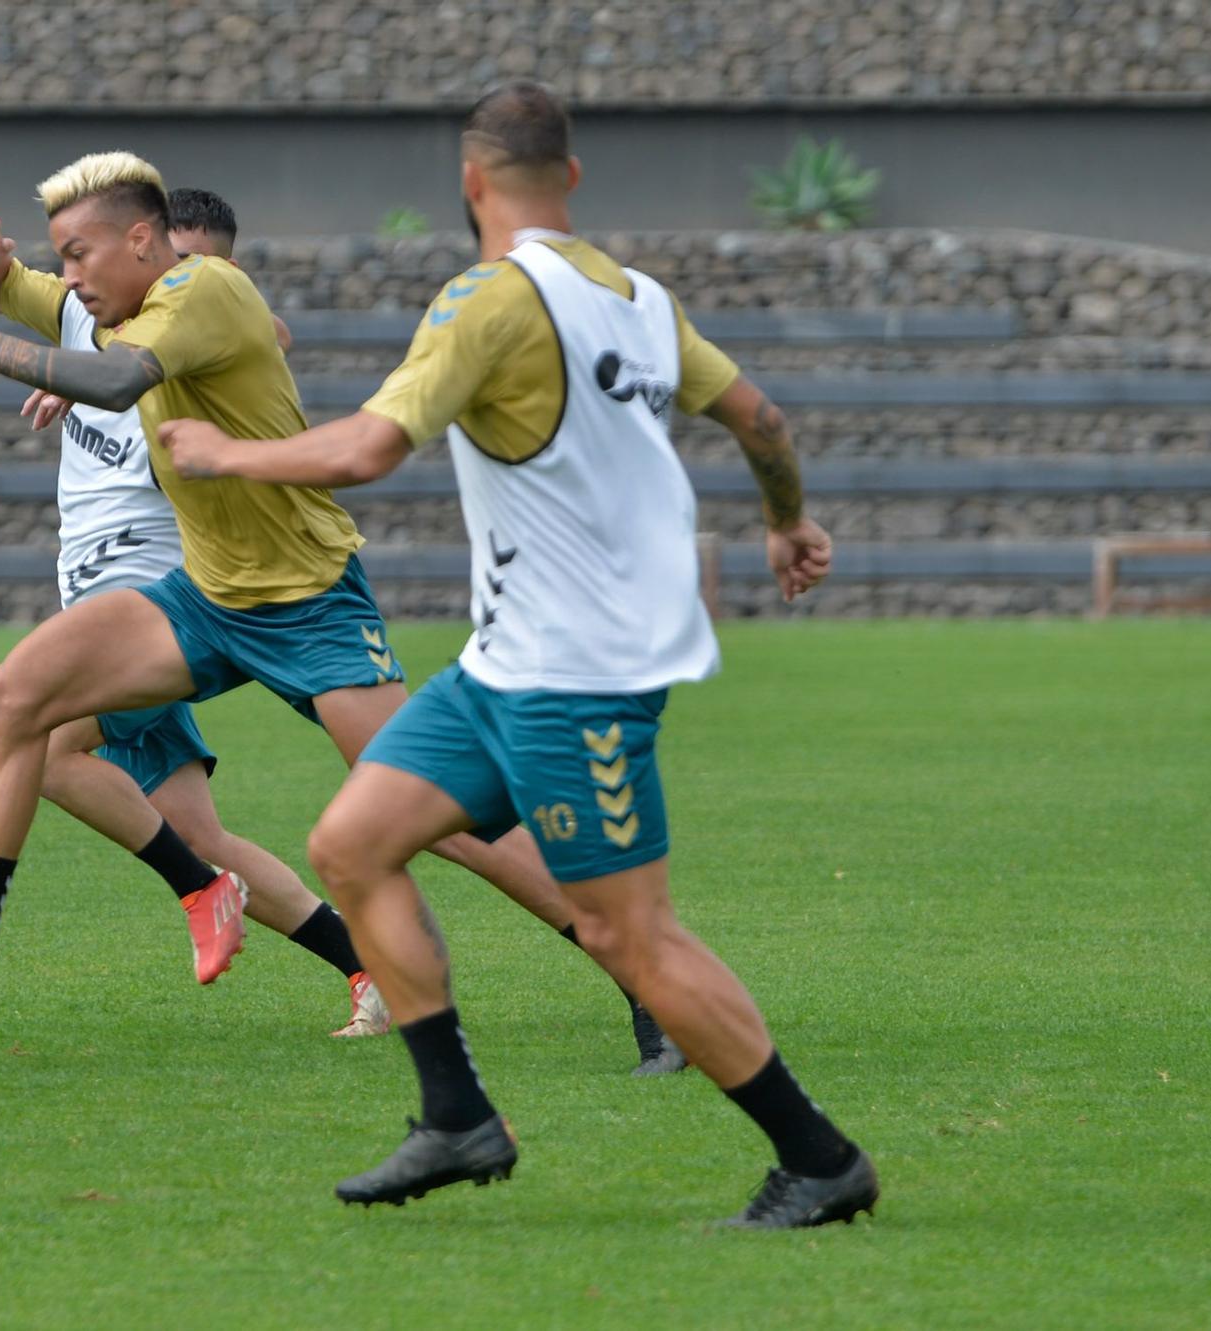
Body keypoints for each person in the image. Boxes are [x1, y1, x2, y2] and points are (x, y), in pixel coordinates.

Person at [160, 83, 877, 1228]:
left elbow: (368, 448)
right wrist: (785, 519)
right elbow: (761, 419)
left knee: (626, 933)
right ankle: (456, 1117)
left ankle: (819, 1154)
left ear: (471, 182)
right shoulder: (638, 298)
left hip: (580, 671)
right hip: (507, 660)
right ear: (573, 179)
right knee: (353, 841)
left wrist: (221, 453)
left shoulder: (486, 300)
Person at [0, 151, 680, 1074]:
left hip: (310, 603)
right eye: (62, 258)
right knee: (19, 696)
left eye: (80, 253)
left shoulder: (203, 289)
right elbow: (12, 290)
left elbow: (114, 383)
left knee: (445, 817)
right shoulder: (117, 298)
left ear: (142, 239)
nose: (71, 276)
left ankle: (647, 978)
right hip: (206, 596)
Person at [0, 192, 388, 1038]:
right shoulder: (112, 333)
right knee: (201, 832)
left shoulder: (189, 368)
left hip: (155, 612)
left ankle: (187, 889)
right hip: (100, 598)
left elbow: (234, 363)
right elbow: (32, 302)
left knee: (44, 745)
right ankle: (367, 967)